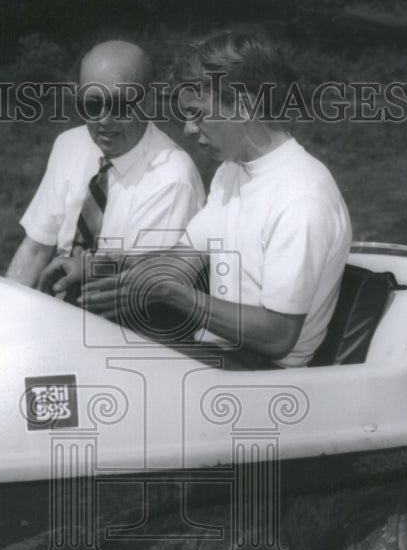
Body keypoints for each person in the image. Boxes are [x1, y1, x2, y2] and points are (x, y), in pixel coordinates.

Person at [81, 32, 351, 368]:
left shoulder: (302, 197)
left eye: (197, 114)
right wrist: (98, 267)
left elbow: (279, 335)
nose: (189, 131)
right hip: (216, 356)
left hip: (266, 376)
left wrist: (172, 293)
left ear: (244, 104)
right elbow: (184, 259)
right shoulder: (231, 171)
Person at [5, 41, 204, 294]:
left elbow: (140, 293)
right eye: (92, 105)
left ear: (149, 102)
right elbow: (36, 249)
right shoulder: (70, 146)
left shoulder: (173, 179)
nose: (104, 120)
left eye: (120, 106)